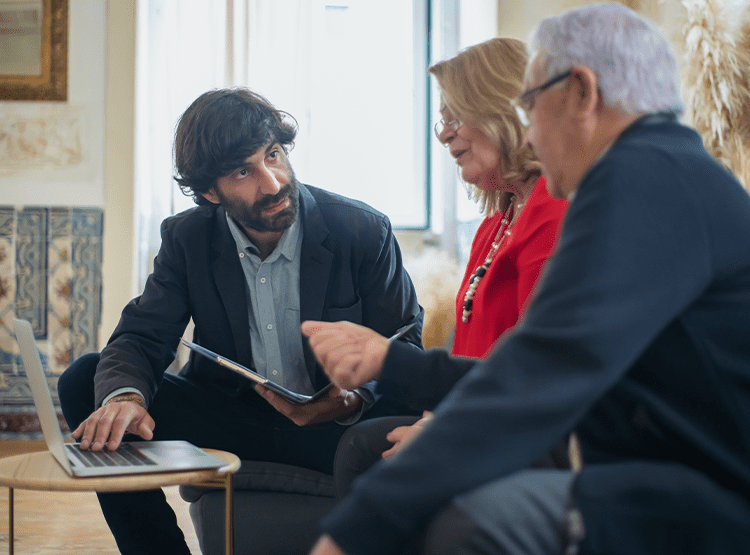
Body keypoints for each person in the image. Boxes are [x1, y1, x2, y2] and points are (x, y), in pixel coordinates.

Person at [302, 3, 750, 554]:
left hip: (711, 498)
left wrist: (356, 529)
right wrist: (395, 365)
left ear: (581, 92)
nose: (529, 136)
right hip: (670, 473)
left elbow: (542, 368)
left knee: (477, 524)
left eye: (531, 104)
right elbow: (537, 364)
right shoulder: (668, 171)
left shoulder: (640, 180)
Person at [56, 87, 424, 555]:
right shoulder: (187, 238)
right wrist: (125, 397)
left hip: (337, 427)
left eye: (273, 155)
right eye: (243, 171)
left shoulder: (362, 230)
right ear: (210, 191)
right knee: (85, 379)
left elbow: (406, 341)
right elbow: (142, 335)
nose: (271, 182)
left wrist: (349, 398)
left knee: (393, 428)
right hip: (231, 418)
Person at [333, 38, 569, 499]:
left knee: (363, 448)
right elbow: (467, 355)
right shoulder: (495, 225)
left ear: (501, 110)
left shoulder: (553, 213)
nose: (443, 135)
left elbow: (537, 373)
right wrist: (436, 417)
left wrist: (444, 429)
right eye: (441, 120)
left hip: (527, 428)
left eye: (454, 117)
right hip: (481, 410)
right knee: (366, 445)